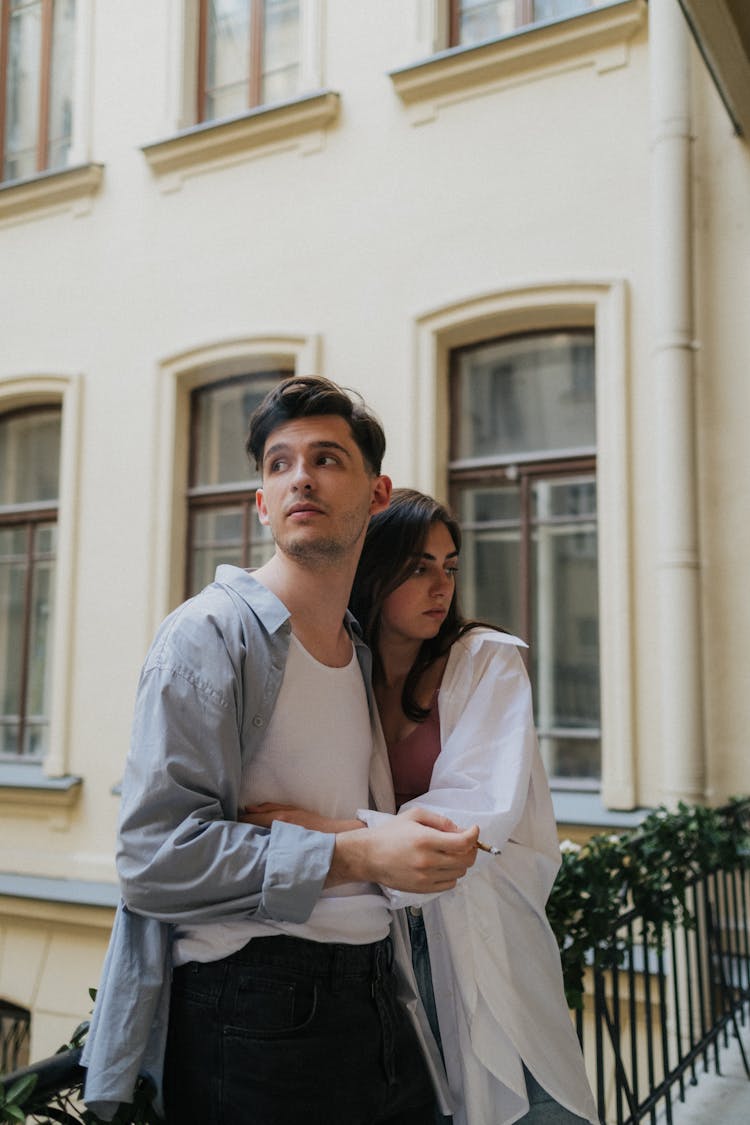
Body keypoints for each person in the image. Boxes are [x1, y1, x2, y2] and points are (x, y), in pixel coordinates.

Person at [81, 379, 479, 1125]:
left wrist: (339, 837)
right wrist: (359, 854)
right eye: (278, 463)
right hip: (254, 1003)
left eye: (327, 458)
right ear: (263, 502)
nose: (300, 475)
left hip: (379, 991)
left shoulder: (355, 650)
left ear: (377, 492)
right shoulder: (206, 636)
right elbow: (152, 858)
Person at [248, 489, 598, 1125]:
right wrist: (354, 842)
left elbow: (465, 826)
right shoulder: (340, 670)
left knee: (532, 1104)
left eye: (450, 565)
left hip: (483, 929)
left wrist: (306, 830)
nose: (442, 584)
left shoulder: (486, 661)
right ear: (373, 569)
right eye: (418, 567)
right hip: (375, 948)